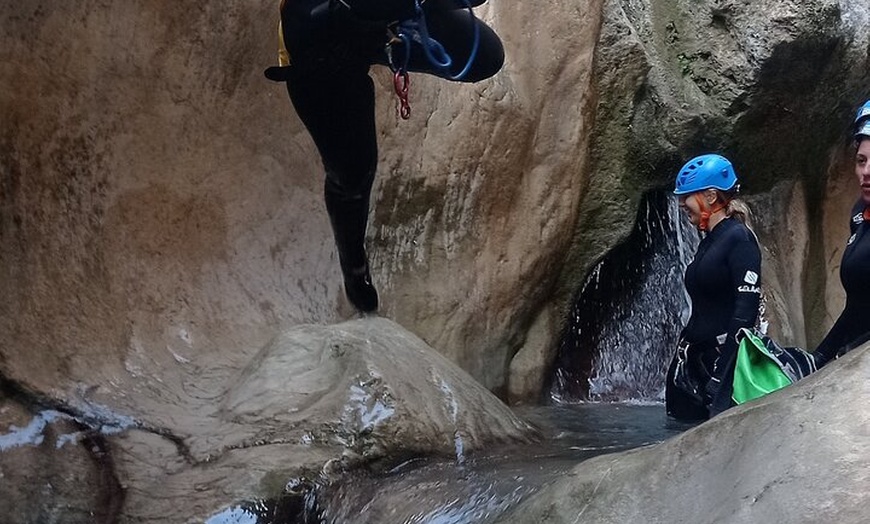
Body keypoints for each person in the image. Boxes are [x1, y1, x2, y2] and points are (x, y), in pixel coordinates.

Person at [264, 0, 505, 312]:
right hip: (319, 42)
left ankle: (382, 36)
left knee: (484, 55)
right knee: (353, 173)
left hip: (381, 19)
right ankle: (353, 264)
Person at [665, 154, 763, 421]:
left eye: (688, 196)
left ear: (710, 196)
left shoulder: (739, 239)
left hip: (717, 365)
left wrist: (722, 374)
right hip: (694, 362)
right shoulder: (710, 240)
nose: (682, 203)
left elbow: (745, 313)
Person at [812, 100, 870, 365]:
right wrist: (820, 357)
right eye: (861, 161)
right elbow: (857, 305)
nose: (866, 172)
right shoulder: (860, 214)